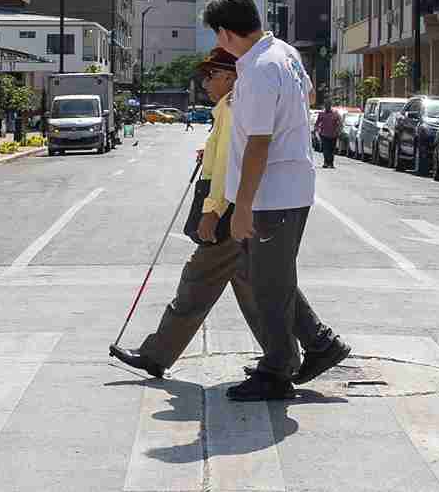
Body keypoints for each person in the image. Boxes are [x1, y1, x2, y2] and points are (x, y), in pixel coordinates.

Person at [110, 49, 298, 379]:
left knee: (201, 281)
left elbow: (228, 166)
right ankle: (290, 355)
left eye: (210, 75)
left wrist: (212, 212)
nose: (205, 82)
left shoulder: (232, 106)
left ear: (230, 76)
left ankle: (158, 354)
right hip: (239, 209)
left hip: (228, 213)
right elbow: (222, 155)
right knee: (258, 285)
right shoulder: (228, 108)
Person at [205, 0, 349, 402]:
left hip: (272, 196)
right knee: (269, 278)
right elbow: (308, 96)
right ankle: (320, 345)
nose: (217, 44)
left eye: (217, 35)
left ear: (228, 34)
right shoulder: (283, 52)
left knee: (267, 287)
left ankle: (277, 368)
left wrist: (243, 206)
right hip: (289, 187)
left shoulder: (260, 70)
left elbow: (259, 143)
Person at [315, 102, 341, 169]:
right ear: (325, 107)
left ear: (330, 106)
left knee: (332, 149)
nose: (327, 107)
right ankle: (326, 162)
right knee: (325, 149)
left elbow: (339, 123)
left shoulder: (335, 114)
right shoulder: (322, 114)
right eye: (326, 106)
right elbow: (317, 122)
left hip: (333, 135)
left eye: (328, 106)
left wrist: (338, 131)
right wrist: (317, 129)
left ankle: (331, 163)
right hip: (324, 134)